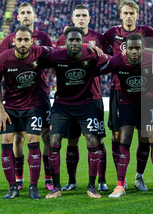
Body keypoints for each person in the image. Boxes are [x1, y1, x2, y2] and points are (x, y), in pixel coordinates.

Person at [103, 33, 153, 198]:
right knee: (124, 140)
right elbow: (99, 69)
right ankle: (120, 186)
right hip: (126, 104)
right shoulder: (117, 60)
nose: (134, 51)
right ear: (125, 48)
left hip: (150, 102)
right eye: (131, 48)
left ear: (142, 48)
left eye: (138, 48)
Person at [45, 27, 110, 199]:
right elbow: (39, 60)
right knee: (54, 140)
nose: (74, 43)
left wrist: (94, 47)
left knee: (93, 140)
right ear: (65, 42)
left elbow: (113, 61)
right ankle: (56, 187)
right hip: (62, 105)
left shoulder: (92, 55)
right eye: (71, 40)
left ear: (83, 42)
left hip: (85, 104)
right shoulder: (55, 56)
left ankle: (92, 186)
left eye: (78, 40)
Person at [0, 2, 54, 191]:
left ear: (34, 16)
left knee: (45, 135)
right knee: (19, 138)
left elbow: (55, 57)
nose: (26, 15)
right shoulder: (8, 40)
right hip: (16, 98)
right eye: (23, 12)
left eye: (29, 12)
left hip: (40, 94)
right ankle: (19, 178)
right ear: (18, 17)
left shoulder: (43, 38)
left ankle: (47, 176)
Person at [103, 0, 153, 191]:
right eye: (125, 13)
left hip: (144, 90)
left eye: (132, 13)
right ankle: (122, 179)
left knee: (144, 136)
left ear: (137, 15)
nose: (128, 16)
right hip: (118, 90)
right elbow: (99, 52)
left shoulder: (147, 31)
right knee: (117, 135)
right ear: (121, 15)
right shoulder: (111, 33)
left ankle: (139, 177)